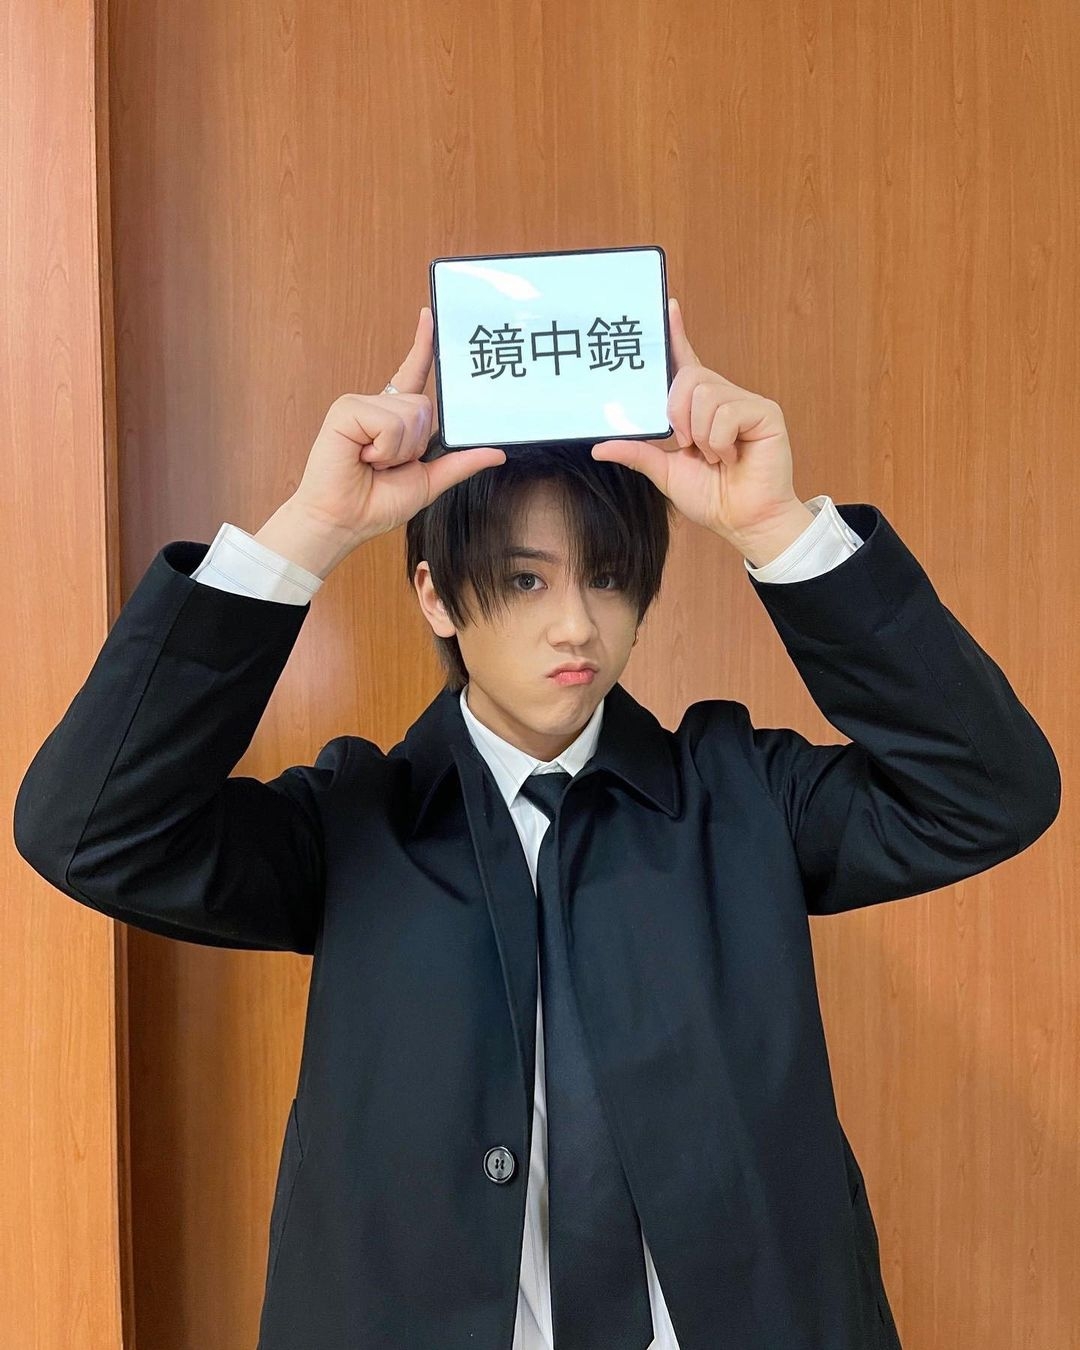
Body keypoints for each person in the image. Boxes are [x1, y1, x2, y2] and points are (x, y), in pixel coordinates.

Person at [13, 300, 1060, 1350]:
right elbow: (89, 828)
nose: (576, 624)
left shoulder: (741, 793)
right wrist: (311, 530)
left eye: (607, 577)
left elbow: (989, 790)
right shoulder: (355, 825)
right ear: (436, 597)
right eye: (524, 579)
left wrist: (777, 528)